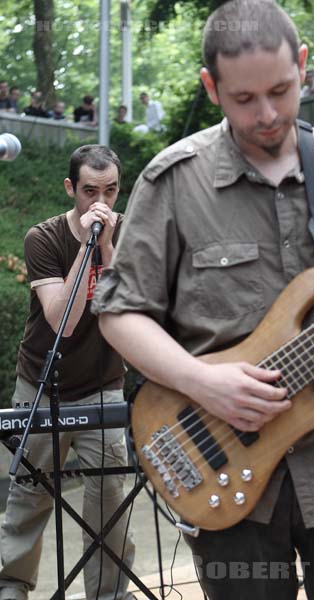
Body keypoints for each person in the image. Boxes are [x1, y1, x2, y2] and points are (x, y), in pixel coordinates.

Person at [93, 0, 314, 599]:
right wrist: (205, 384)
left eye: (282, 91)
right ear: (211, 86)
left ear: (304, 65)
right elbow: (121, 312)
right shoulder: (172, 181)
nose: (267, 114)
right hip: (217, 466)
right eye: (244, 99)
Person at [0, 145, 135, 600]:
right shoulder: (44, 238)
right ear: (71, 188)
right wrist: (86, 247)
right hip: (42, 383)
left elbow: (128, 310)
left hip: (103, 386)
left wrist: (109, 247)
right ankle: (12, 588)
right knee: (29, 498)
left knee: (110, 498)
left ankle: (110, 594)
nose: (102, 200)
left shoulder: (125, 237)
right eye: (90, 190)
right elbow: (64, 320)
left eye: (111, 190)